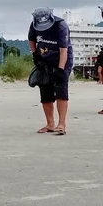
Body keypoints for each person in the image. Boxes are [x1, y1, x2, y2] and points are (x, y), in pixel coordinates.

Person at [28, 7, 72, 135]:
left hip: (62, 60)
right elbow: (31, 39)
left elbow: (64, 50)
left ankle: (61, 124)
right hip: (44, 60)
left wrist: (60, 69)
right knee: (45, 90)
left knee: (61, 91)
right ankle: (50, 124)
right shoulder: (33, 25)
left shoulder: (61, 25)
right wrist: (35, 54)